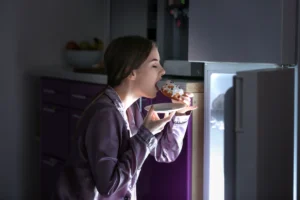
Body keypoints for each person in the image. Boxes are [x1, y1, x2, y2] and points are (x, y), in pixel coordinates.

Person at [51, 35, 197, 200]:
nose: (163, 71)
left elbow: (166, 152)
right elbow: (109, 186)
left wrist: (179, 114)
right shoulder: (105, 115)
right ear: (131, 72)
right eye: (154, 65)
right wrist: (145, 134)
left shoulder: (130, 110)